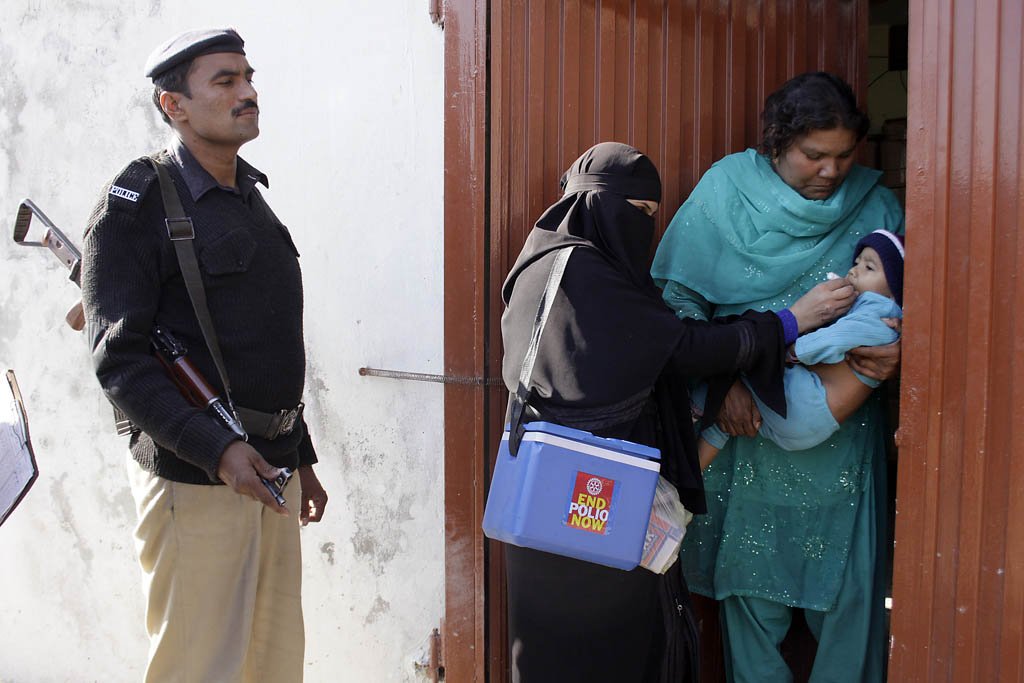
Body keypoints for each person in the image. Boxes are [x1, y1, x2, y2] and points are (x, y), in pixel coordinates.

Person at [499, 141, 849, 682]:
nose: (645, 229)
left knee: (558, 652)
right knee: (618, 647)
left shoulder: (547, 267)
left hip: (545, 500)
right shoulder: (587, 278)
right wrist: (787, 322)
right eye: (637, 214)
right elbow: (682, 348)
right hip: (596, 498)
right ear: (598, 205)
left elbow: (657, 343)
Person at [80, 28, 327, 682]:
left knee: (271, 663)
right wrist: (215, 448)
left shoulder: (249, 198)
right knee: (199, 667)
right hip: (197, 477)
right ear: (174, 105)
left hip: (270, 470)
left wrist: (300, 456)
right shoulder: (137, 203)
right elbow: (120, 361)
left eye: (248, 77)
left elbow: (262, 340)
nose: (248, 92)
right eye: (225, 81)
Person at [651, 72, 904, 682]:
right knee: (751, 595)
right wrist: (726, 386)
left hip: (842, 437)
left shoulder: (877, 204)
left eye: (844, 155)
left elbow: (912, 304)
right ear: (776, 144)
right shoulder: (726, 190)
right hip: (745, 428)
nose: (831, 170)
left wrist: (904, 352)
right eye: (814, 155)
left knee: (851, 600)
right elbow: (676, 306)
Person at [696, 229, 905, 469]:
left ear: (894, 289)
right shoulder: (871, 315)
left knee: (727, 379)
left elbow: (833, 340)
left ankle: (688, 408)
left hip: (805, 409)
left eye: (869, 268)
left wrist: (793, 351)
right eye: (856, 263)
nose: (853, 270)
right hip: (807, 419)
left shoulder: (878, 318)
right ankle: (685, 487)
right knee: (725, 414)